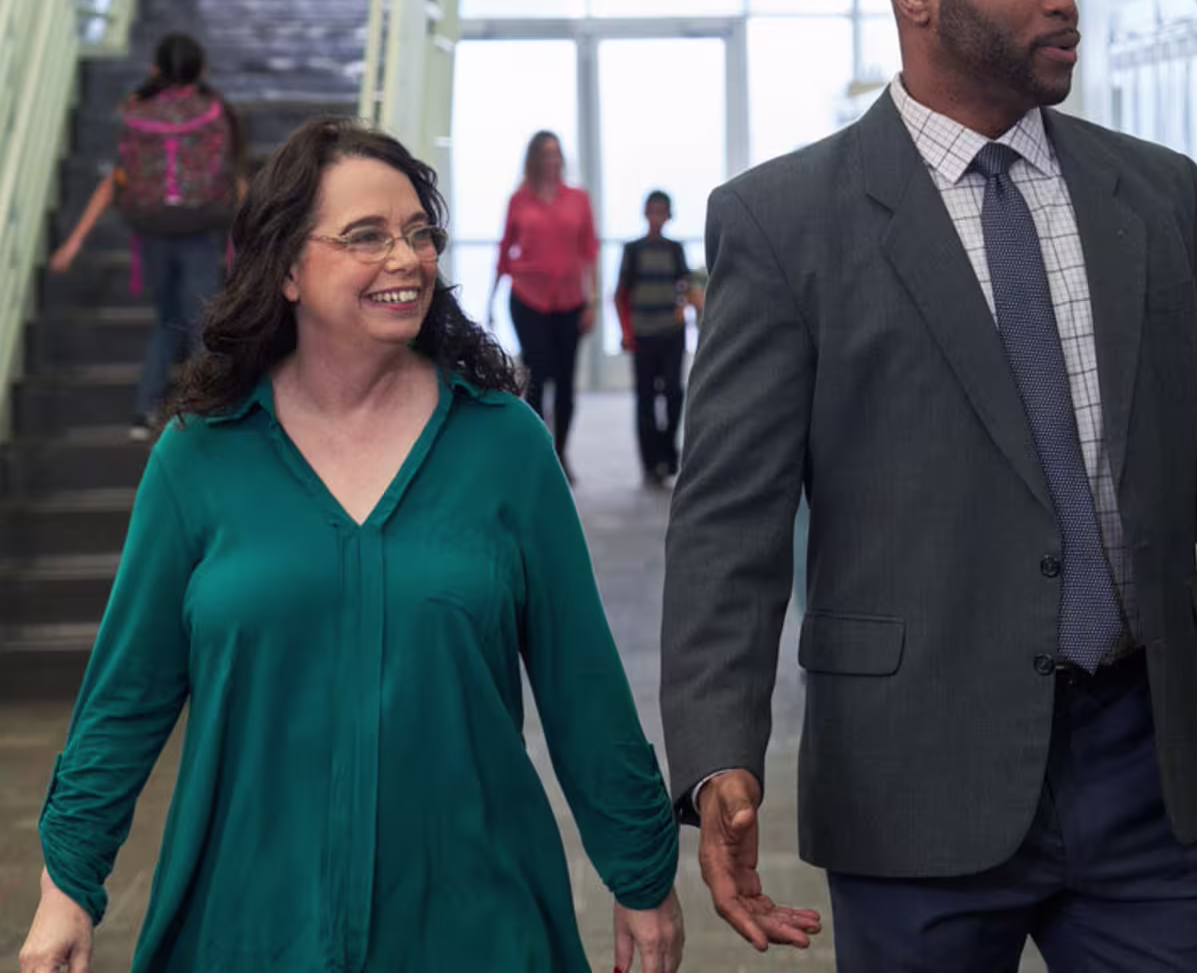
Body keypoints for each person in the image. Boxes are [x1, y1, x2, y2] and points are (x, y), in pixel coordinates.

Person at [659, 0, 1197, 971]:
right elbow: (728, 522)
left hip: (1145, 766)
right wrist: (715, 752)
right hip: (913, 769)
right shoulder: (788, 223)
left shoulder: (1155, 195)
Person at [20, 118, 683, 973]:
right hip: (249, 922)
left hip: (472, 920)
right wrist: (67, 885)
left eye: (419, 234)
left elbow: (582, 683)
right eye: (366, 237)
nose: (405, 260)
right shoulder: (201, 456)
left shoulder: (504, 446)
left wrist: (640, 874)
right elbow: (125, 696)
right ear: (288, 267)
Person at [50, 33, 247, 439]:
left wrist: (73, 241)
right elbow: (233, 177)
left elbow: (116, 182)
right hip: (199, 229)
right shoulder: (215, 112)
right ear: (202, 70)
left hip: (151, 231)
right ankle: (201, 413)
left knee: (167, 320)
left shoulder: (138, 114)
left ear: (155, 70)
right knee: (201, 321)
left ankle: (143, 411)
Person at [490, 130, 599, 481]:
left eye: (556, 153)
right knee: (537, 377)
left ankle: (561, 453)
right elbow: (505, 250)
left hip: (570, 301)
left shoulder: (578, 199)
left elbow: (590, 252)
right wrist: (490, 299)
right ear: (534, 159)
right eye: (545, 153)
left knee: (565, 382)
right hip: (527, 298)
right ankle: (540, 452)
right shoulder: (519, 200)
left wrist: (593, 300)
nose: (552, 159)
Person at [615, 190, 698, 488]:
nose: (657, 216)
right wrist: (626, 332)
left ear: (669, 215)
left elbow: (685, 284)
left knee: (674, 394)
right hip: (642, 333)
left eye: (662, 210)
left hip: (672, 333)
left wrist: (684, 309)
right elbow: (620, 294)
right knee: (645, 398)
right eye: (652, 210)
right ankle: (650, 463)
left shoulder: (675, 249)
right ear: (645, 213)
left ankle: (668, 455)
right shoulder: (633, 250)